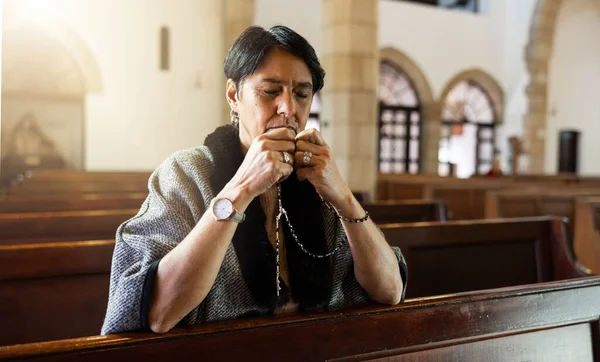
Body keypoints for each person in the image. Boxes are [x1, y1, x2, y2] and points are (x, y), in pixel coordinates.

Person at [101, 25, 408, 335]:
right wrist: (243, 187)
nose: (289, 108)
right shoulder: (186, 172)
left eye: (302, 94)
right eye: (270, 91)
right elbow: (157, 312)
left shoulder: (317, 180)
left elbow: (390, 291)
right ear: (234, 95)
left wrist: (342, 195)